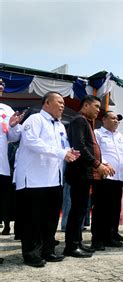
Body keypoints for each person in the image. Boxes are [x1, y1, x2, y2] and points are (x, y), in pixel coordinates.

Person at [15, 92, 80, 267]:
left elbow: (63, 146)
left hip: (53, 179)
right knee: (32, 220)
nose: (62, 106)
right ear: (46, 103)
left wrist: (70, 152)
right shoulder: (35, 120)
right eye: (59, 102)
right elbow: (31, 142)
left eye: (63, 103)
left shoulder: (59, 125)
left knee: (50, 219)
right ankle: (31, 254)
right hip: (34, 179)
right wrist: (61, 152)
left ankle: (48, 250)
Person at [64, 95, 114, 258]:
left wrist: (101, 163)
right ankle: (71, 246)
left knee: (81, 209)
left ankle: (77, 242)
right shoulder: (78, 120)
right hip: (79, 173)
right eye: (96, 106)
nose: (98, 110)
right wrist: (97, 164)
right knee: (78, 209)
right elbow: (79, 147)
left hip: (85, 173)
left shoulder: (86, 122)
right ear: (85, 105)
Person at [91, 111, 123, 250]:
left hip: (118, 177)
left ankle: (110, 236)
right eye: (113, 118)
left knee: (114, 208)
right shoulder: (98, 133)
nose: (116, 121)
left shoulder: (119, 136)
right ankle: (97, 238)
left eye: (117, 119)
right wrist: (106, 163)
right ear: (104, 120)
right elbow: (96, 153)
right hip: (104, 176)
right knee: (101, 208)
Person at [0, 78, 24, 265]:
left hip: (1, 168)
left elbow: (13, 137)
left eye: (2, 85)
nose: (1, 86)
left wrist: (15, 125)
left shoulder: (6, 110)